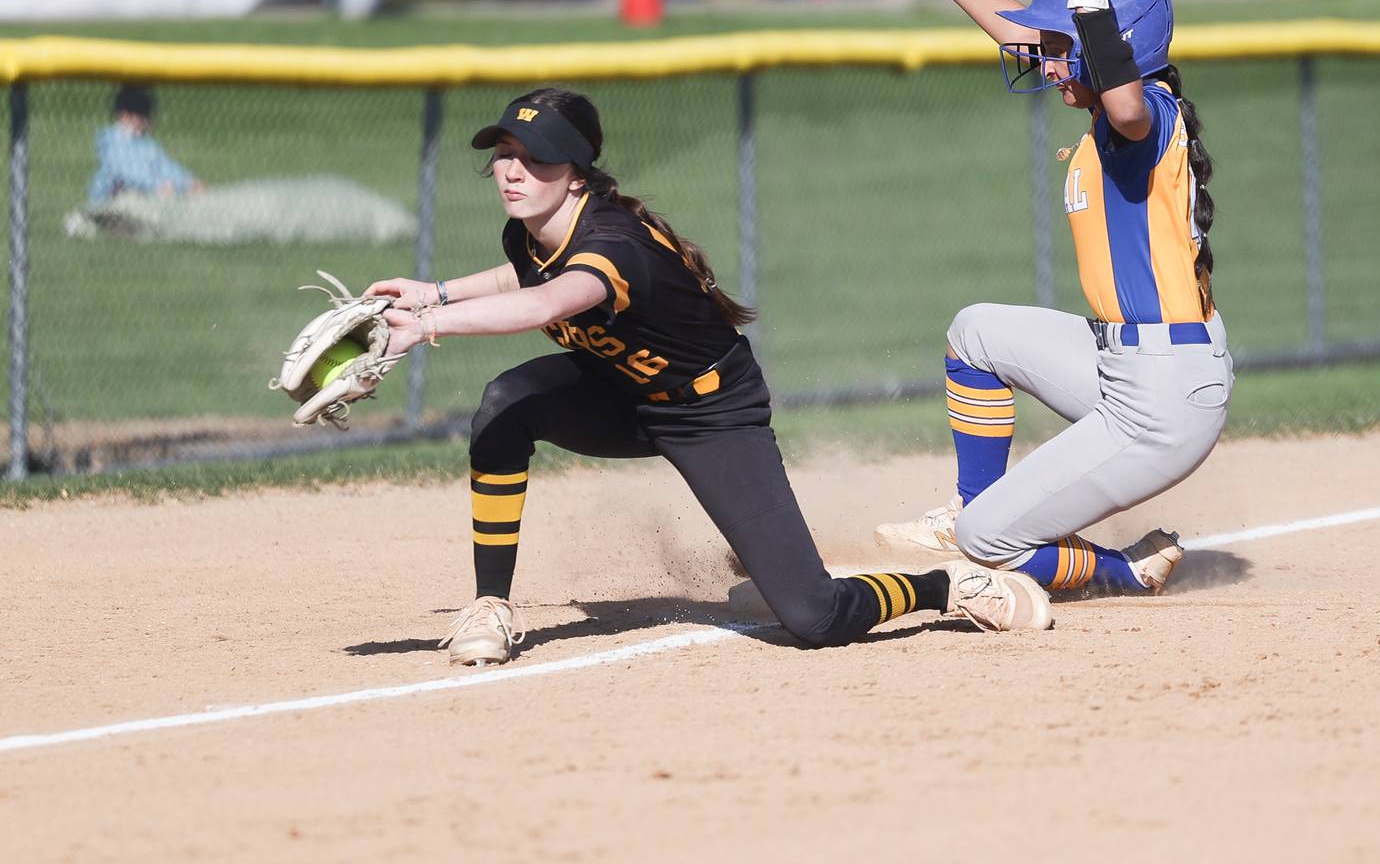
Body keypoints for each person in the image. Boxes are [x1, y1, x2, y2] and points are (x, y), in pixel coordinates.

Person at [363, 88, 1052, 666]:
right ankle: (490, 603)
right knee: (505, 403)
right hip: (621, 394)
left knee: (812, 615)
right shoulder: (530, 228)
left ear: (575, 172)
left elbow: (547, 301)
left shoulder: (614, 246)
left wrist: (424, 328)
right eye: (505, 154)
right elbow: (529, 273)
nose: (513, 171)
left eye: (535, 158)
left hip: (712, 414)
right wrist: (436, 292)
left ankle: (945, 587)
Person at [869, 0, 1232, 598]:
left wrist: (1091, 11)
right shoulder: (1110, 103)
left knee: (988, 542)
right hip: (1121, 362)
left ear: (1110, 45)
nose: (1047, 59)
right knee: (975, 331)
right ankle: (970, 507)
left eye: (1069, 46)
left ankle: (1119, 571)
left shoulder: (1144, 117)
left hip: (1165, 396)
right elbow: (1027, 31)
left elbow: (1124, 107)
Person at [87, 86, 203, 204]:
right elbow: (124, 172)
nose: (146, 122)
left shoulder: (146, 144)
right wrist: (156, 186)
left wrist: (188, 181)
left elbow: (165, 166)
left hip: (140, 201)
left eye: (147, 116)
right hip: (109, 204)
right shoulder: (112, 141)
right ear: (124, 115)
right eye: (141, 116)